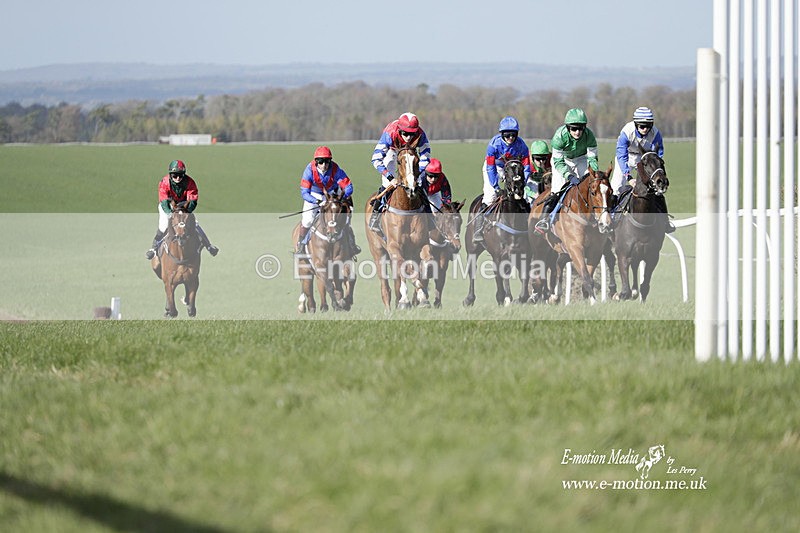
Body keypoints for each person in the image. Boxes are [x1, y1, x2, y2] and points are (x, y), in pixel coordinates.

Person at [534, 108, 599, 234]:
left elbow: (592, 158)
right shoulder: (559, 137)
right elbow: (558, 162)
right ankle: (544, 220)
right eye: (574, 129)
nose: (577, 132)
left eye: (580, 128)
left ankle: (599, 217)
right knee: (557, 190)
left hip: (581, 159)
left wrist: (594, 174)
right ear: (568, 128)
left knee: (592, 186)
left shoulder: (589, 135)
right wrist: (569, 176)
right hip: (563, 161)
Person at [611, 106, 673, 232]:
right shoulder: (626, 132)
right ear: (635, 124)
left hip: (644, 158)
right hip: (627, 157)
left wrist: (655, 171)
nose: (645, 129)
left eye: (648, 126)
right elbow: (621, 156)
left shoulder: (656, 133)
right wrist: (629, 177)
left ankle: (665, 221)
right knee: (616, 187)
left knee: (656, 189)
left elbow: (658, 154)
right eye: (642, 126)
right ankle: (611, 218)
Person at [368, 112, 431, 233]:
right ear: (399, 130)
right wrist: (390, 177)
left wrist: (417, 173)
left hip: (411, 152)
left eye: (412, 134)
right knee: (387, 184)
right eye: (405, 134)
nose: (408, 137)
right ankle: (376, 215)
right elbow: (376, 159)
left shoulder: (420, 134)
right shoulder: (390, 133)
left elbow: (426, 156)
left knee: (420, 182)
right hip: (393, 150)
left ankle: (429, 216)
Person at [145, 160, 218, 259]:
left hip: (184, 207)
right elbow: (163, 201)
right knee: (164, 225)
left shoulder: (190, 182)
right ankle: (153, 249)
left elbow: (193, 201)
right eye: (175, 175)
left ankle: (209, 246)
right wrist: (170, 214)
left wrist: (187, 212)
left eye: (180, 175)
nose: (178, 178)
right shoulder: (164, 182)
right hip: (168, 206)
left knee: (195, 224)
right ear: (170, 175)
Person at [473, 116, 531, 242]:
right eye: (507, 135)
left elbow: (527, 167)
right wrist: (495, 186)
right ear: (502, 134)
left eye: (513, 135)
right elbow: (490, 167)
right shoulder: (494, 145)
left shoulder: (521, 145)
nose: (511, 138)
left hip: (512, 168)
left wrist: (524, 182)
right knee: (490, 197)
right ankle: (478, 228)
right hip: (495, 168)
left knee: (524, 196)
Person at [296, 146, 360, 256]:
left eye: (327, 161)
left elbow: (348, 186)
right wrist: (316, 201)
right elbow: (305, 192)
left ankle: (351, 244)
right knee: (307, 220)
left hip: (332, 195)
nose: (324, 165)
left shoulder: (335, 169)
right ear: (316, 161)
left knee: (345, 219)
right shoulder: (309, 170)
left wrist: (340, 199)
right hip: (314, 194)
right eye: (321, 161)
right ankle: (301, 245)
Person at [524, 140, 552, 204]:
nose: (541, 162)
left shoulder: (551, 159)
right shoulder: (527, 163)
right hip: (531, 182)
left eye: (544, 158)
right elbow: (522, 184)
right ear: (532, 157)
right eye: (538, 159)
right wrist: (533, 194)